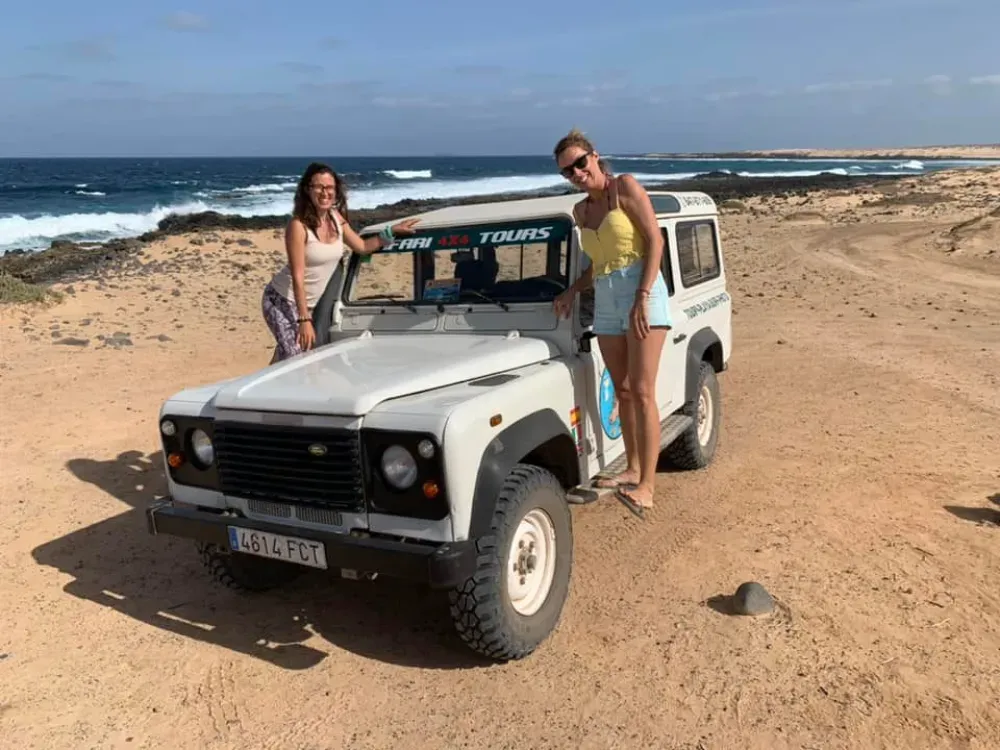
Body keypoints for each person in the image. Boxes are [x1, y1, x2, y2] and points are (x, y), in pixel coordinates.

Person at [551, 129, 672, 519]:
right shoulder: (581, 212)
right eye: (567, 172)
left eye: (579, 163)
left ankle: (647, 486)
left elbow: (654, 240)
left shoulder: (625, 188)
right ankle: (632, 468)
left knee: (641, 389)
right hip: (605, 295)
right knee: (621, 389)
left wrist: (642, 295)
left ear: (595, 156)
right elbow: (596, 264)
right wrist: (573, 290)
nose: (576, 173)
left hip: (642, 290)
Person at [262, 162, 420, 361]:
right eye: (318, 187)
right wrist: (304, 319)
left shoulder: (336, 218)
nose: (324, 193)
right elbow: (297, 275)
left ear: (336, 191)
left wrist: (391, 232)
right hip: (281, 300)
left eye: (329, 187)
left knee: (291, 353)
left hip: (307, 304)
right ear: (307, 190)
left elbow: (362, 247)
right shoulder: (298, 226)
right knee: (297, 357)